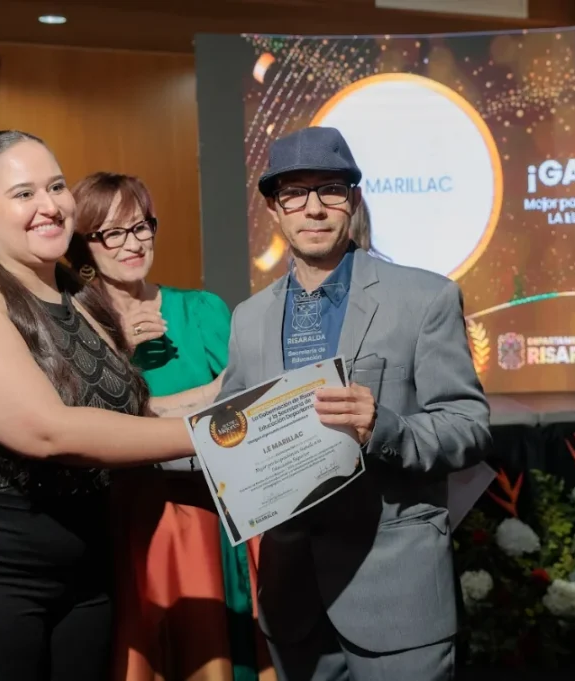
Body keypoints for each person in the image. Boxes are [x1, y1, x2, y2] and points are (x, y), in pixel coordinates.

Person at [0, 131, 203, 681]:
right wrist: (220, 431)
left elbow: (129, 418)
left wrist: (252, 400)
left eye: (55, 186)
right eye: (24, 193)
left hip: (84, 572)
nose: (49, 206)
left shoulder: (78, 296)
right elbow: (49, 431)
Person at [217, 126, 491, 681]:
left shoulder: (424, 297)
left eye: (331, 190)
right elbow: (227, 438)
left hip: (396, 592)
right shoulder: (249, 318)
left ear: (354, 199)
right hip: (292, 597)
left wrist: (385, 429)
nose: (313, 208)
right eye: (295, 193)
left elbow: (469, 427)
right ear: (273, 208)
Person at [69, 172, 261, 680]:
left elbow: (239, 399)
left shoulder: (201, 309)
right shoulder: (76, 323)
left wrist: (160, 408)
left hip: (209, 513)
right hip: (130, 522)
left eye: (141, 227)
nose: (132, 244)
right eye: (113, 232)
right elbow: (87, 421)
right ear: (84, 244)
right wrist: (123, 354)